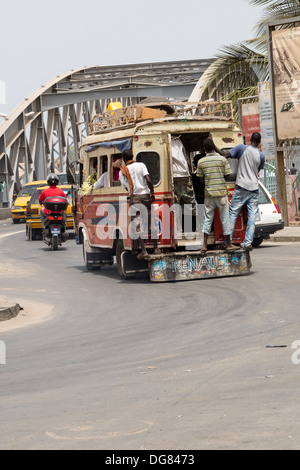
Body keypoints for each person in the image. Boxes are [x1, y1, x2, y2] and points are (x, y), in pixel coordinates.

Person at [220, 132, 265, 251]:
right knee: (251, 216)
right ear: (259, 142)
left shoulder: (241, 148)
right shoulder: (261, 156)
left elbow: (225, 155)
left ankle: (227, 241)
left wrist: (213, 146)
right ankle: (247, 243)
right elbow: (258, 170)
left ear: (250, 139)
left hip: (241, 187)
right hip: (254, 189)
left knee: (233, 213)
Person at [196, 137, 239, 253]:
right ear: (214, 147)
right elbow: (227, 176)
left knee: (207, 219)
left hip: (209, 195)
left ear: (205, 149)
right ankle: (229, 244)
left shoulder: (201, 162)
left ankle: (204, 245)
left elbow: (200, 180)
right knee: (225, 219)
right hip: (221, 194)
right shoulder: (222, 160)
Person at [119, 149, 161, 259]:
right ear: (133, 156)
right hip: (146, 196)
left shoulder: (122, 171)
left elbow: (125, 186)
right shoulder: (141, 165)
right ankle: (156, 248)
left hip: (135, 198)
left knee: (137, 225)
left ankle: (144, 251)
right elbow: (148, 180)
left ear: (124, 159)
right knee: (152, 222)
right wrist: (152, 193)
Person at [171, 136, 198, 231]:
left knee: (176, 204)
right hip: (185, 174)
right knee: (191, 201)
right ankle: (198, 227)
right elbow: (184, 155)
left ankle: (178, 229)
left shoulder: (166, 140)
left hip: (174, 175)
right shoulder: (179, 141)